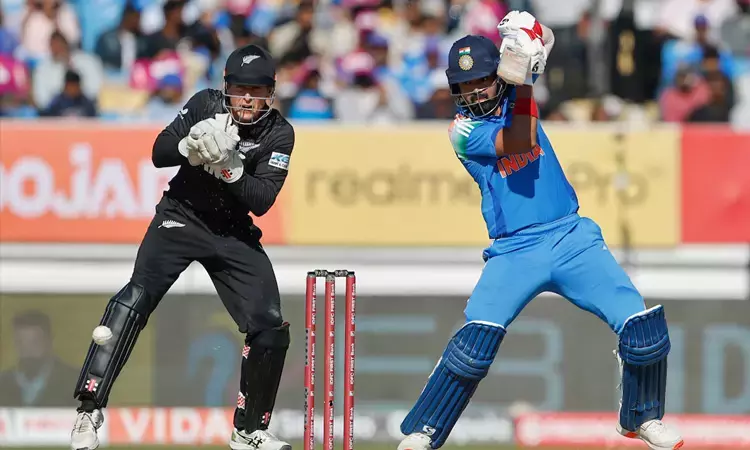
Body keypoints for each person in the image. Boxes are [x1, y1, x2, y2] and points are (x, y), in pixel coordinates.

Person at [396, 11, 684, 450]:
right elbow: (520, 140)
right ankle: (424, 431)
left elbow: (543, 37)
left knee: (642, 329)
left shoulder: (516, 86)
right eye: (464, 86)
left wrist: (527, 39)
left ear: (497, 75)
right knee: (473, 346)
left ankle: (642, 418)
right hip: (515, 250)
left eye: (481, 82)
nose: (474, 93)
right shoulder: (462, 130)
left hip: (571, 237)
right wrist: (526, 78)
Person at [70, 43, 295, 450]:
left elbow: (262, 200)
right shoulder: (205, 104)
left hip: (232, 231)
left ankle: (248, 430)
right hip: (181, 217)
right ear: (226, 88)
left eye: (257, 91)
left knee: (269, 324)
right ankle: (89, 410)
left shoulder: (279, 133)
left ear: (271, 93)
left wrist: (229, 169)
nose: (247, 99)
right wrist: (188, 147)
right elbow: (159, 152)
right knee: (135, 298)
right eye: (240, 89)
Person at [0, 311, 79, 407]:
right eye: (21, 343)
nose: (27, 350)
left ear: (49, 341)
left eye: (34, 342)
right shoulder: (3, 383)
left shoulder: (75, 382)